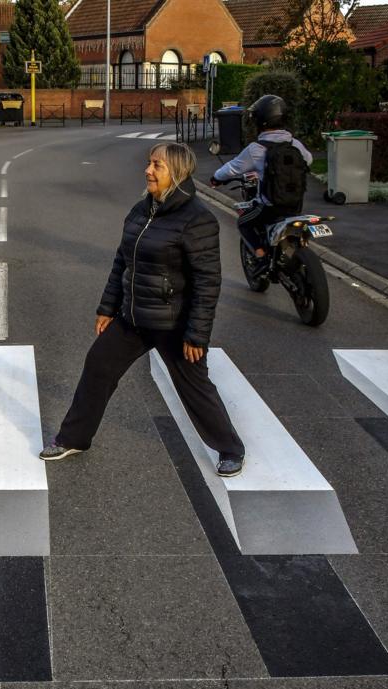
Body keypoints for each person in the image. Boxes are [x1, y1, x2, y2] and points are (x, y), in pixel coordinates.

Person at [40, 142, 245, 478]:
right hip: (134, 317)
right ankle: (73, 438)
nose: (148, 170)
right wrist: (108, 307)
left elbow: (207, 283)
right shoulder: (142, 210)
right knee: (98, 366)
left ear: (177, 173)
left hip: (174, 323)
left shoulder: (197, 220)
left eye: (157, 166)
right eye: (150, 163)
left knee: (195, 388)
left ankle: (231, 449)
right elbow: (122, 261)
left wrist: (196, 334)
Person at [209, 95, 312, 273]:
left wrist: (216, 178)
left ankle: (261, 256)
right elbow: (308, 160)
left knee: (244, 223)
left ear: (260, 121)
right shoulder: (294, 143)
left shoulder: (257, 148)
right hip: (295, 205)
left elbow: (232, 168)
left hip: (270, 207)